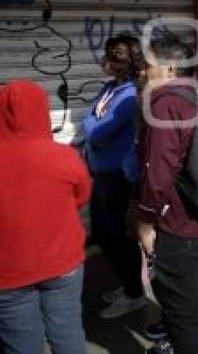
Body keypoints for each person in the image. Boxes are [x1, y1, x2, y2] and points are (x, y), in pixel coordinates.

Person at [135, 37, 198, 354]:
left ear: (169, 67)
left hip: (177, 224)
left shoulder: (165, 103)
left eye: (147, 66)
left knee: (181, 310)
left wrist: (146, 222)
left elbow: (157, 171)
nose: (143, 72)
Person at [0, 80, 91, 354]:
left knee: (20, 344)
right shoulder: (65, 156)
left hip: (9, 272)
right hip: (63, 263)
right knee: (68, 335)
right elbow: (82, 196)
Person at [80, 35, 146, 320]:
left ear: (122, 61)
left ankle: (135, 295)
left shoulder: (130, 95)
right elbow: (90, 120)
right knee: (104, 236)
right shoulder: (110, 88)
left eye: (111, 55)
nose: (104, 60)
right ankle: (127, 284)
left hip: (118, 175)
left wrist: (92, 125)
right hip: (101, 172)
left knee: (120, 237)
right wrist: (92, 124)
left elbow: (94, 129)